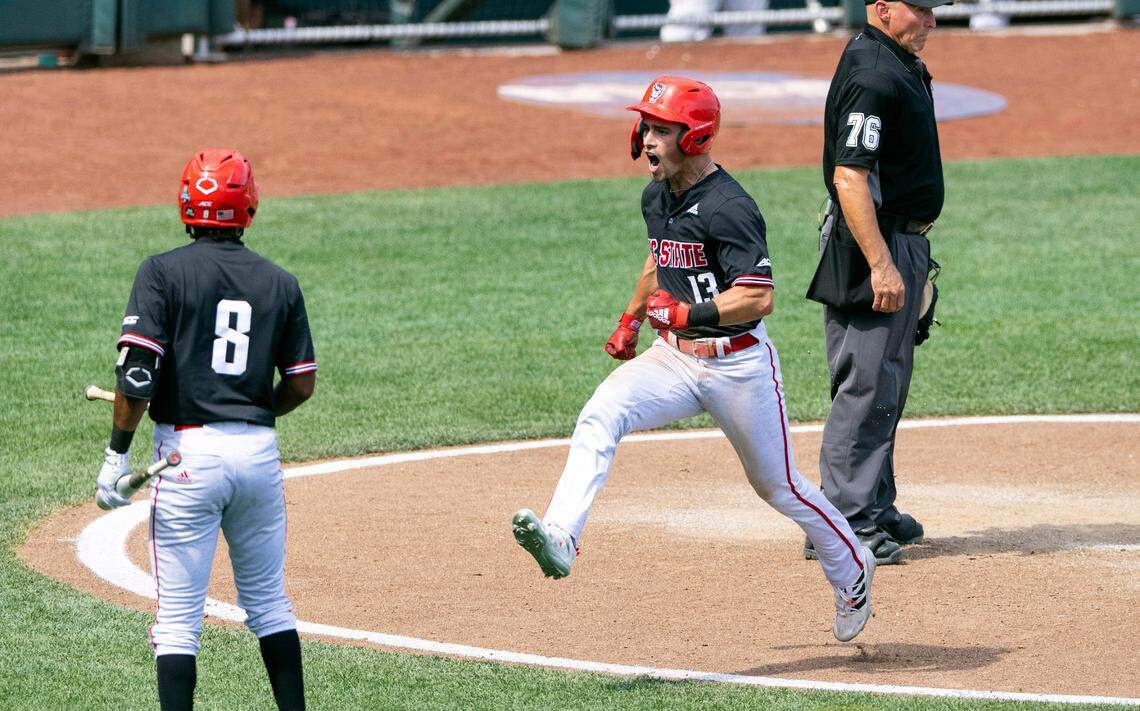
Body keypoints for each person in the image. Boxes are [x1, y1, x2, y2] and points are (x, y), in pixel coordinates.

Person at [512, 76, 876, 642]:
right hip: (674, 361)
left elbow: (759, 297)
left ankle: (852, 566)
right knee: (601, 413)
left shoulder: (731, 207)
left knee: (778, 485)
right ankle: (561, 535)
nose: (648, 138)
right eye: (647, 126)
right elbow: (660, 262)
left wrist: (686, 315)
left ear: (696, 134)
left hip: (738, 365)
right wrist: (630, 319)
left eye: (662, 129)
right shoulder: (655, 195)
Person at [96, 148, 316, 710]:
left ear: (186, 203)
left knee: (177, 623)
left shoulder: (161, 272)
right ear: (248, 207)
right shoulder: (281, 282)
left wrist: (116, 457)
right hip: (260, 454)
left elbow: (137, 377)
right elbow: (301, 385)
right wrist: (249, 406)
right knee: (269, 604)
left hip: (187, 458)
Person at [805, 0, 948, 565]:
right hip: (874, 243)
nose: (931, 21)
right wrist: (883, 263)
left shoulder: (894, 59)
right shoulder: (873, 74)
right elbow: (850, 175)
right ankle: (844, 524)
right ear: (882, 9)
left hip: (897, 239)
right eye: (921, 10)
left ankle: (873, 505)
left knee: (886, 380)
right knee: (864, 384)